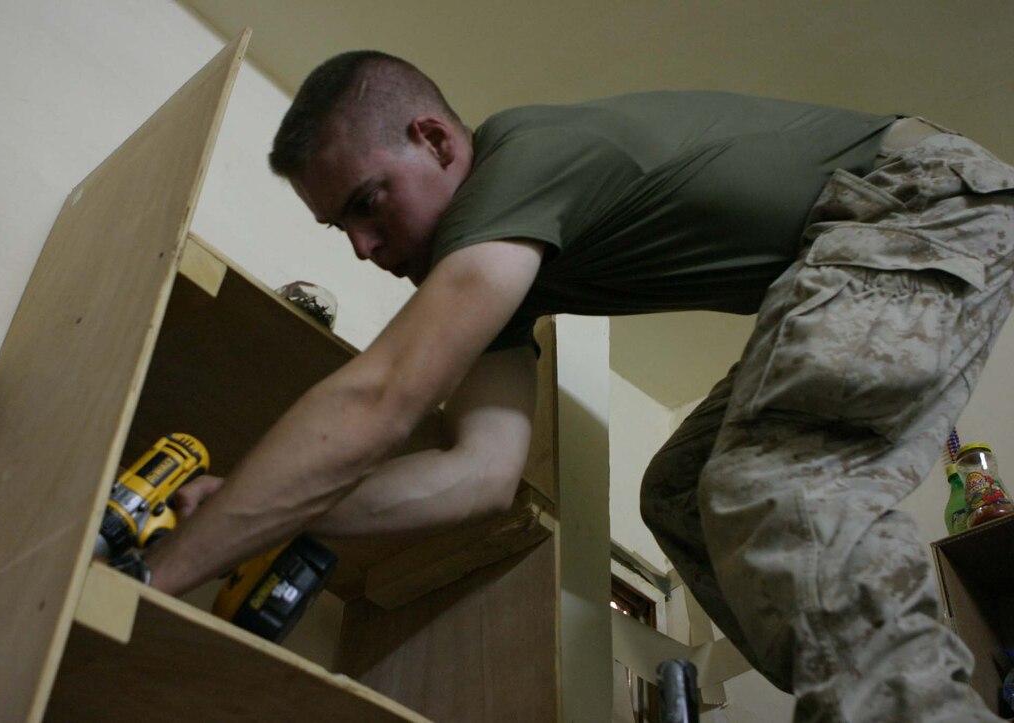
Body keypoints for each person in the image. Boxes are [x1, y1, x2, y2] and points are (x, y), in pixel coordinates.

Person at [142, 50, 1014, 721]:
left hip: (920, 202)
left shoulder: (516, 165)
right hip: (849, 245)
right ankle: (867, 682)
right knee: (677, 493)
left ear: (437, 141)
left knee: (770, 487)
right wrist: (279, 510)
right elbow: (478, 475)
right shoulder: (501, 263)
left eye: (368, 203)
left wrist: (166, 570)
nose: (362, 248)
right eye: (341, 228)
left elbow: (382, 398)